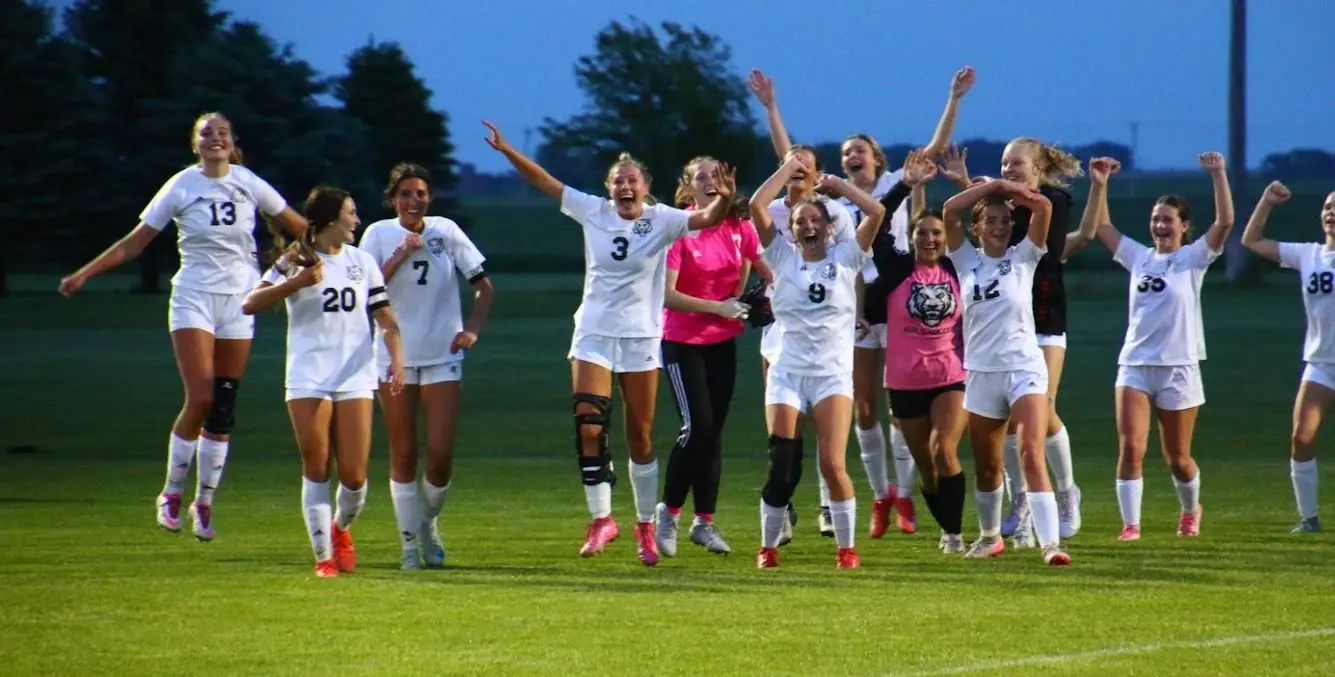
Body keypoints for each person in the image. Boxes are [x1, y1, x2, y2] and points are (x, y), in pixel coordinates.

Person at [483, 121, 734, 566]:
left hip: (640, 336)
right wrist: (508, 151)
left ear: (646, 187)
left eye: (632, 180)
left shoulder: (662, 219)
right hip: (594, 333)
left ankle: (644, 526)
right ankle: (601, 519)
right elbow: (546, 183)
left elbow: (707, 218)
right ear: (609, 188)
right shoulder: (593, 211)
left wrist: (725, 199)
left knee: (640, 434)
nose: (625, 187)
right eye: (618, 181)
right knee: (589, 424)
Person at [58, 112, 307, 542]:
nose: (215, 138)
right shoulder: (182, 185)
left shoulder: (248, 182)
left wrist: (295, 267)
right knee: (201, 397)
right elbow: (134, 243)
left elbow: (301, 228)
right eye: (206, 133)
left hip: (239, 301)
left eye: (222, 133)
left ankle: (203, 502)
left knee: (223, 405)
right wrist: (84, 274)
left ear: (233, 143)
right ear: (195, 144)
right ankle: (171, 492)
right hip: (194, 297)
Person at [749, 66, 974, 538]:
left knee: (901, 406)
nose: (851, 157)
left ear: (875, 158)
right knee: (864, 406)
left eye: (859, 151)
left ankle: (904, 494)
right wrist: (772, 108)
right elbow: (794, 165)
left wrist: (953, 98)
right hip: (855, 307)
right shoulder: (824, 205)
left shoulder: (888, 185)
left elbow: (931, 152)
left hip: (899, 299)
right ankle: (878, 495)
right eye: (846, 152)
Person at [241, 186, 407, 578]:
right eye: (351, 213)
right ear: (331, 219)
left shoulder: (362, 262)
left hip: (354, 375)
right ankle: (323, 557)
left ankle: (340, 528)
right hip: (308, 374)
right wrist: (295, 284)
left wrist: (397, 359)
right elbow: (250, 303)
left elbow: (385, 318)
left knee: (355, 477)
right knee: (316, 465)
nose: (357, 221)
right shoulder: (295, 259)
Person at [1070, 154, 1233, 541]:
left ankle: (1191, 510)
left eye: (1168, 220)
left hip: (1179, 367)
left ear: (1183, 226)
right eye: (1156, 219)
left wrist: (1218, 174)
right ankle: (1131, 525)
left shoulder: (1194, 258)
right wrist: (1100, 182)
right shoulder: (1140, 257)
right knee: (1131, 449)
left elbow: (1225, 222)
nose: (1160, 225)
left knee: (1178, 458)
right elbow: (1103, 226)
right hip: (1135, 365)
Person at [940, 138, 1085, 547]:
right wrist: (985, 186)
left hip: (1038, 331)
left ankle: (1057, 518)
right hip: (985, 364)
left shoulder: (1030, 241)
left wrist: (1002, 188)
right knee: (991, 457)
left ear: (1037, 169)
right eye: (1004, 165)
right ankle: (1002, 524)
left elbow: (1043, 208)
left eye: (1016, 164)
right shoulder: (967, 258)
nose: (1008, 171)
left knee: (1033, 434)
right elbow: (958, 211)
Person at [750, 152, 886, 570]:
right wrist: (787, 169)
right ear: (791, 230)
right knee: (782, 466)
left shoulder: (846, 257)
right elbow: (756, 205)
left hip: (831, 376)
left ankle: (846, 549)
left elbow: (877, 211)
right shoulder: (782, 257)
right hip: (788, 373)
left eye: (815, 220)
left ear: (828, 227)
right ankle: (768, 547)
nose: (808, 226)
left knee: (832, 464)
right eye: (800, 221)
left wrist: (836, 184)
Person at [358, 163, 495, 569]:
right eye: (405, 194)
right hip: (393, 357)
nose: (413, 200)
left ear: (429, 197)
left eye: (420, 193)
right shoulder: (377, 234)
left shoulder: (446, 230)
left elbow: (484, 287)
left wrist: (472, 330)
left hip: (442, 354)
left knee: (439, 454)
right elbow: (365, 289)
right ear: (392, 199)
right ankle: (407, 547)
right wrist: (402, 253)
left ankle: (428, 523)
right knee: (402, 453)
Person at [654, 156, 771, 558]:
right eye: (700, 177)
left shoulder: (739, 226)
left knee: (713, 434)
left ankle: (704, 522)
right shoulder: (680, 228)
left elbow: (770, 272)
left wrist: (773, 297)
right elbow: (667, 295)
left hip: (722, 341)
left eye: (715, 175)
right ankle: (668, 512)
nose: (710, 182)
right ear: (688, 188)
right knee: (697, 428)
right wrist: (718, 307)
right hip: (681, 341)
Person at [869, 151, 970, 554]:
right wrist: (905, 185)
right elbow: (877, 223)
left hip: (951, 376)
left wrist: (964, 185)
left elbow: (981, 224)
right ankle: (947, 528)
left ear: (946, 237)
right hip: (905, 381)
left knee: (943, 450)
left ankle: (956, 535)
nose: (930, 239)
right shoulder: (897, 270)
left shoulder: (957, 268)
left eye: (936, 233)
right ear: (911, 238)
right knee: (927, 469)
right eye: (922, 233)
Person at [1240, 182, 1334, 533]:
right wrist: (1266, 202)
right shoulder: (1308, 254)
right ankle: (1309, 518)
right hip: (1321, 364)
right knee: (1302, 437)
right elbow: (1251, 240)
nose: (1331, 213)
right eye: (1328, 207)